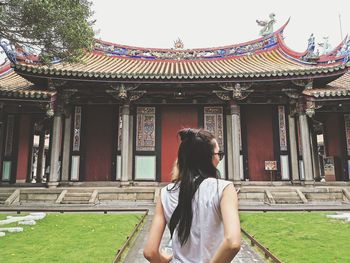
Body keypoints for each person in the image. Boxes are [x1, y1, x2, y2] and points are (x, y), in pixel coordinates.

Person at [144, 128, 241, 263]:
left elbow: (150, 252)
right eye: (219, 154)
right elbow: (232, 242)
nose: (219, 158)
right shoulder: (224, 189)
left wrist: (164, 259)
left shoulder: (165, 193)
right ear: (210, 158)